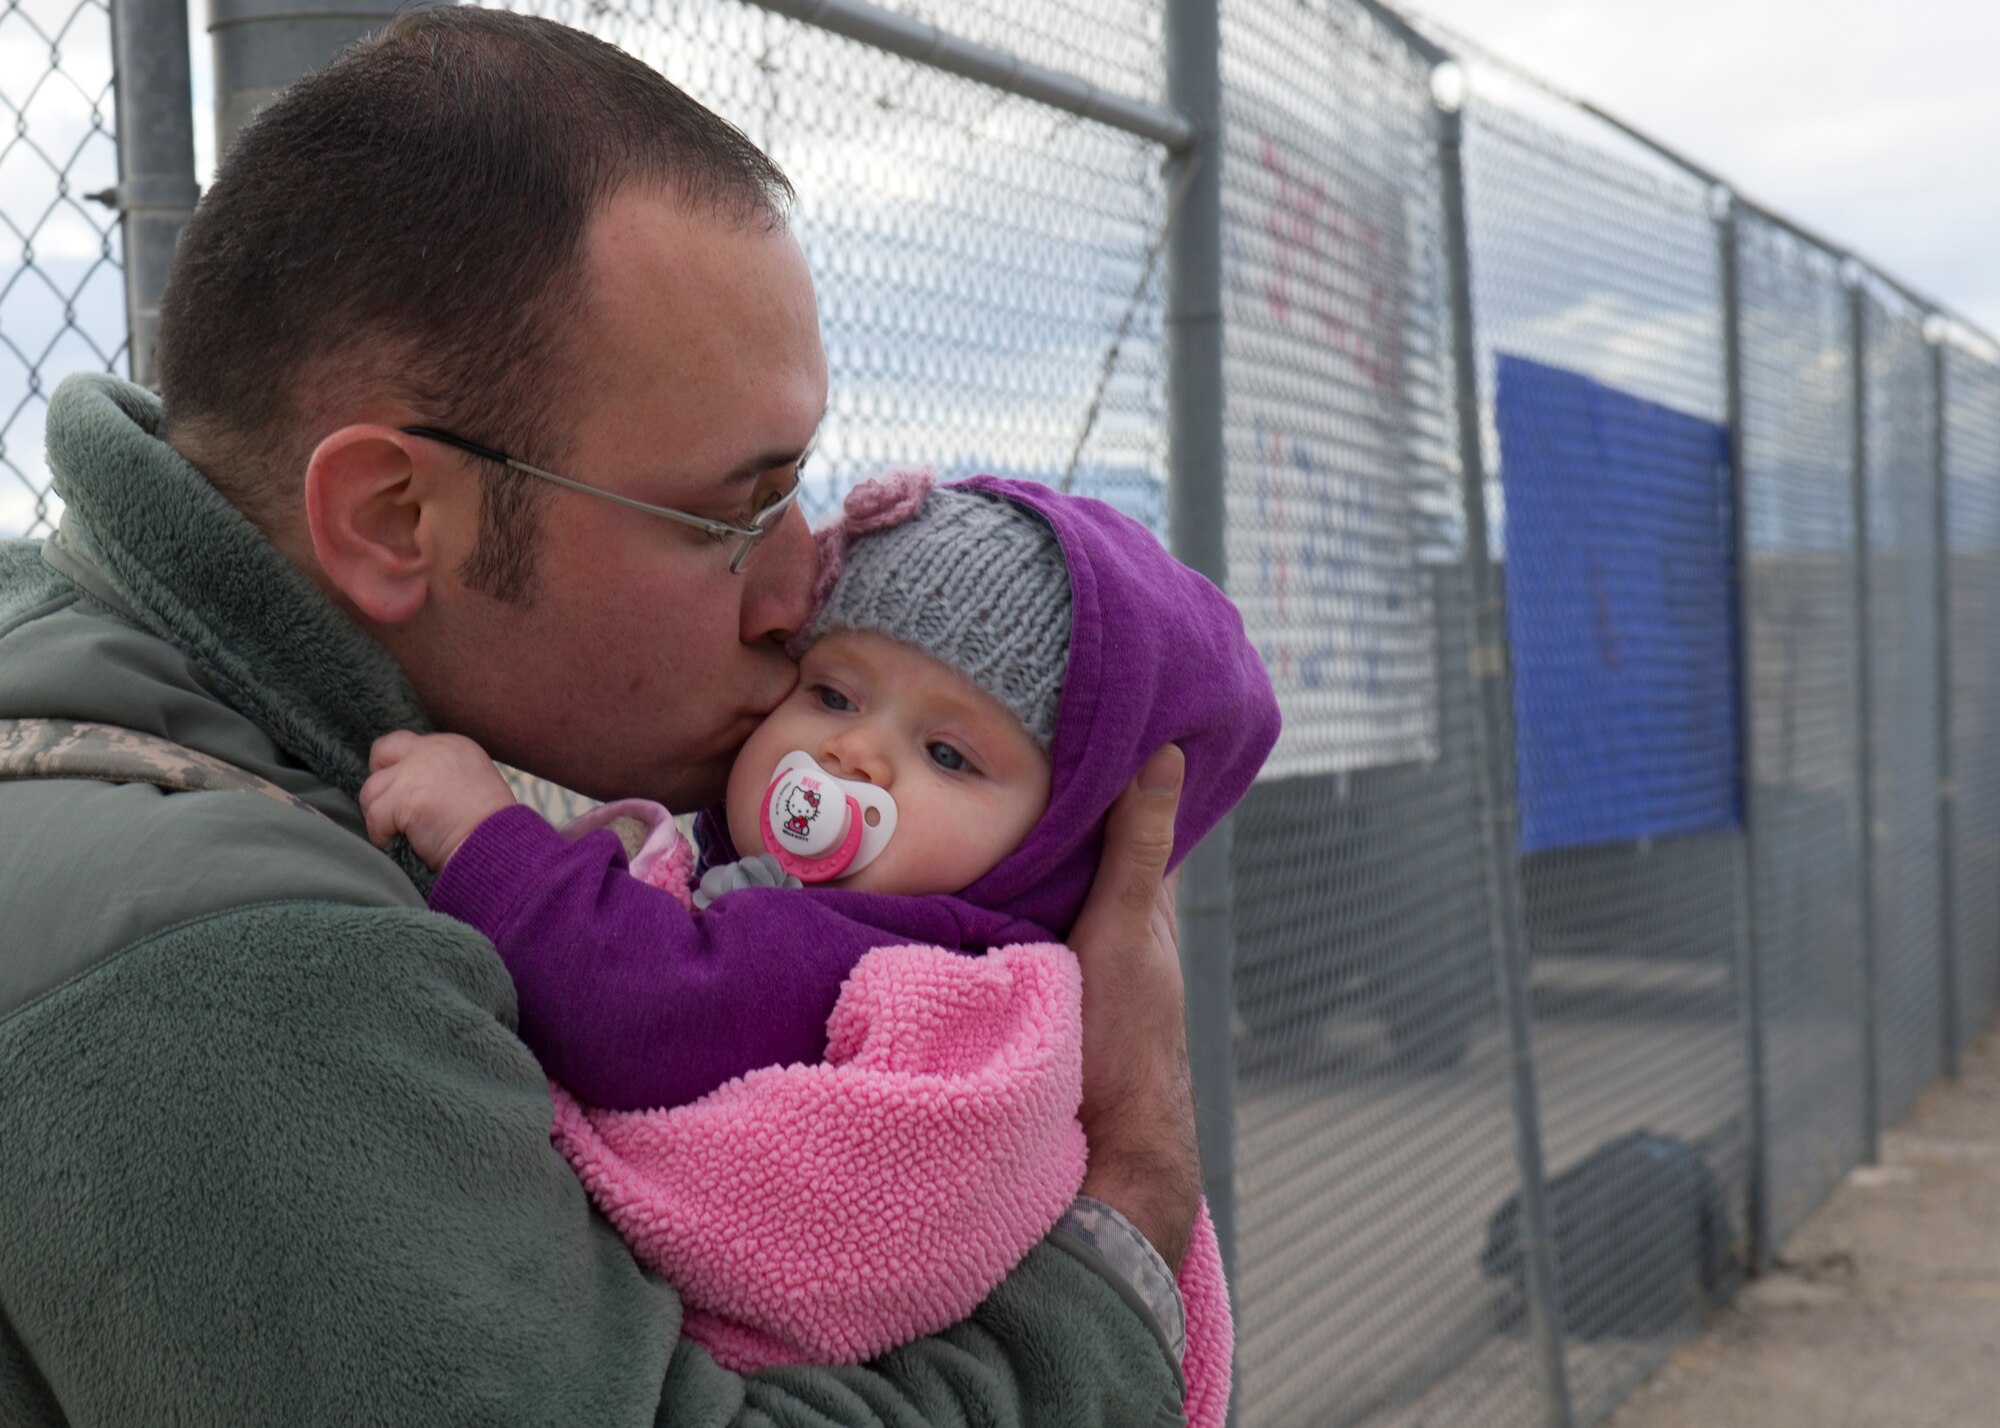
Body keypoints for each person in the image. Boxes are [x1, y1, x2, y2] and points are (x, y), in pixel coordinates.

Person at [0, 9, 1206, 1425]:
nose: (797, 591)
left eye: (804, 489)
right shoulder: (230, 973)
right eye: (729, 512)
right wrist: (1128, 1211)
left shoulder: (95, 671)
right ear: (397, 518)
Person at [357, 473, 1278, 1402]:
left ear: (1053, 850)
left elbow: (640, 1003)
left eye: (948, 755)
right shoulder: (808, 903)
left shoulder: (890, 962)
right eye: (834, 694)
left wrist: (485, 837)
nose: (854, 755)